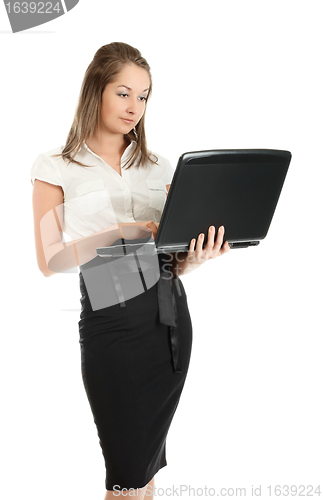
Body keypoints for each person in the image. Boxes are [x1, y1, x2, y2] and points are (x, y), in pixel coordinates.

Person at [31, 42, 230, 500]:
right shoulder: (56, 167)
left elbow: (170, 263)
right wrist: (120, 231)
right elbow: (49, 261)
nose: (134, 107)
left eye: (143, 96)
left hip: (168, 323)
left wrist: (197, 255)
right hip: (111, 326)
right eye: (123, 93)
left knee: (144, 472)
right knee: (124, 477)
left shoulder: (161, 167)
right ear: (96, 89)